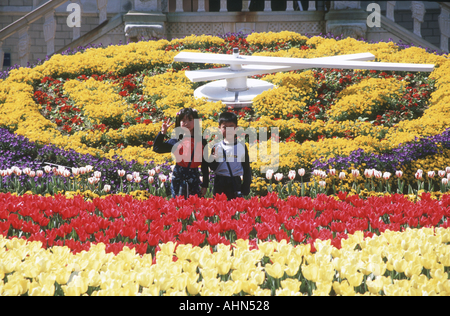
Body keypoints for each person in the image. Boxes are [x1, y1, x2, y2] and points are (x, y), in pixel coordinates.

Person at [153, 108, 209, 198]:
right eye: (183, 120)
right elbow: (157, 148)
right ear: (179, 122)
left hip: (193, 176)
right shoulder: (176, 140)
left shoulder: (201, 141)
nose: (186, 123)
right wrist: (162, 133)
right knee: (178, 204)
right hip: (179, 176)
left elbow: (205, 165)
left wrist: (205, 184)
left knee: (193, 204)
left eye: (190, 120)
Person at [208, 112, 252, 200]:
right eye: (225, 127)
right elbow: (213, 167)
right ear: (219, 128)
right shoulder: (216, 146)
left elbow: (247, 168)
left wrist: (246, 186)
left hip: (235, 181)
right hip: (220, 181)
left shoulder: (242, 147)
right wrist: (214, 159)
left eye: (231, 127)